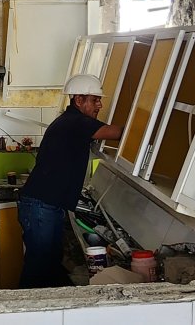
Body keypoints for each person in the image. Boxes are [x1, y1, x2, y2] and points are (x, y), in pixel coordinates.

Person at [17, 73, 123, 288]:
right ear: (79, 101)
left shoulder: (71, 121)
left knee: (47, 265)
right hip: (41, 206)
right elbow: (118, 132)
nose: (100, 105)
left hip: (46, 205)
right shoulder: (76, 121)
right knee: (39, 267)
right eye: (95, 100)